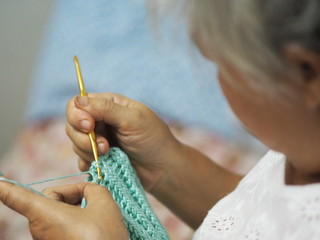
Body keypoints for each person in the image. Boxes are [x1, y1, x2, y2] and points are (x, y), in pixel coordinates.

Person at [1, 0, 320, 239]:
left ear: (306, 73)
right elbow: (257, 220)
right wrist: (165, 166)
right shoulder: (302, 154)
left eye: (222, 66)